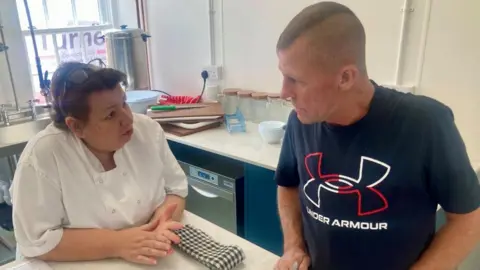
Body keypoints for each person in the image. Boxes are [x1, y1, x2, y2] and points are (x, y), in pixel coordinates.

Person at [274, 2, 480, 270]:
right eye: (283, 76)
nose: (283, 92)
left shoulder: (426, 124)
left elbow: (468, 220)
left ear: (346, 77)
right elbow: (288, 184)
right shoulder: (300, 121)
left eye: (296, 80)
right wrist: (293, 246)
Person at [10, 61, 188, 265]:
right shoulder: (44, 155)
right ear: (76, 126)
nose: (127, 119)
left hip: (149, 256)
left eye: (124, 103)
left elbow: (176, 189)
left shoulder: (147, 130)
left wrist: (161, 225)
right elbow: (37, 240)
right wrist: (118, 243)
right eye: (110, 115)